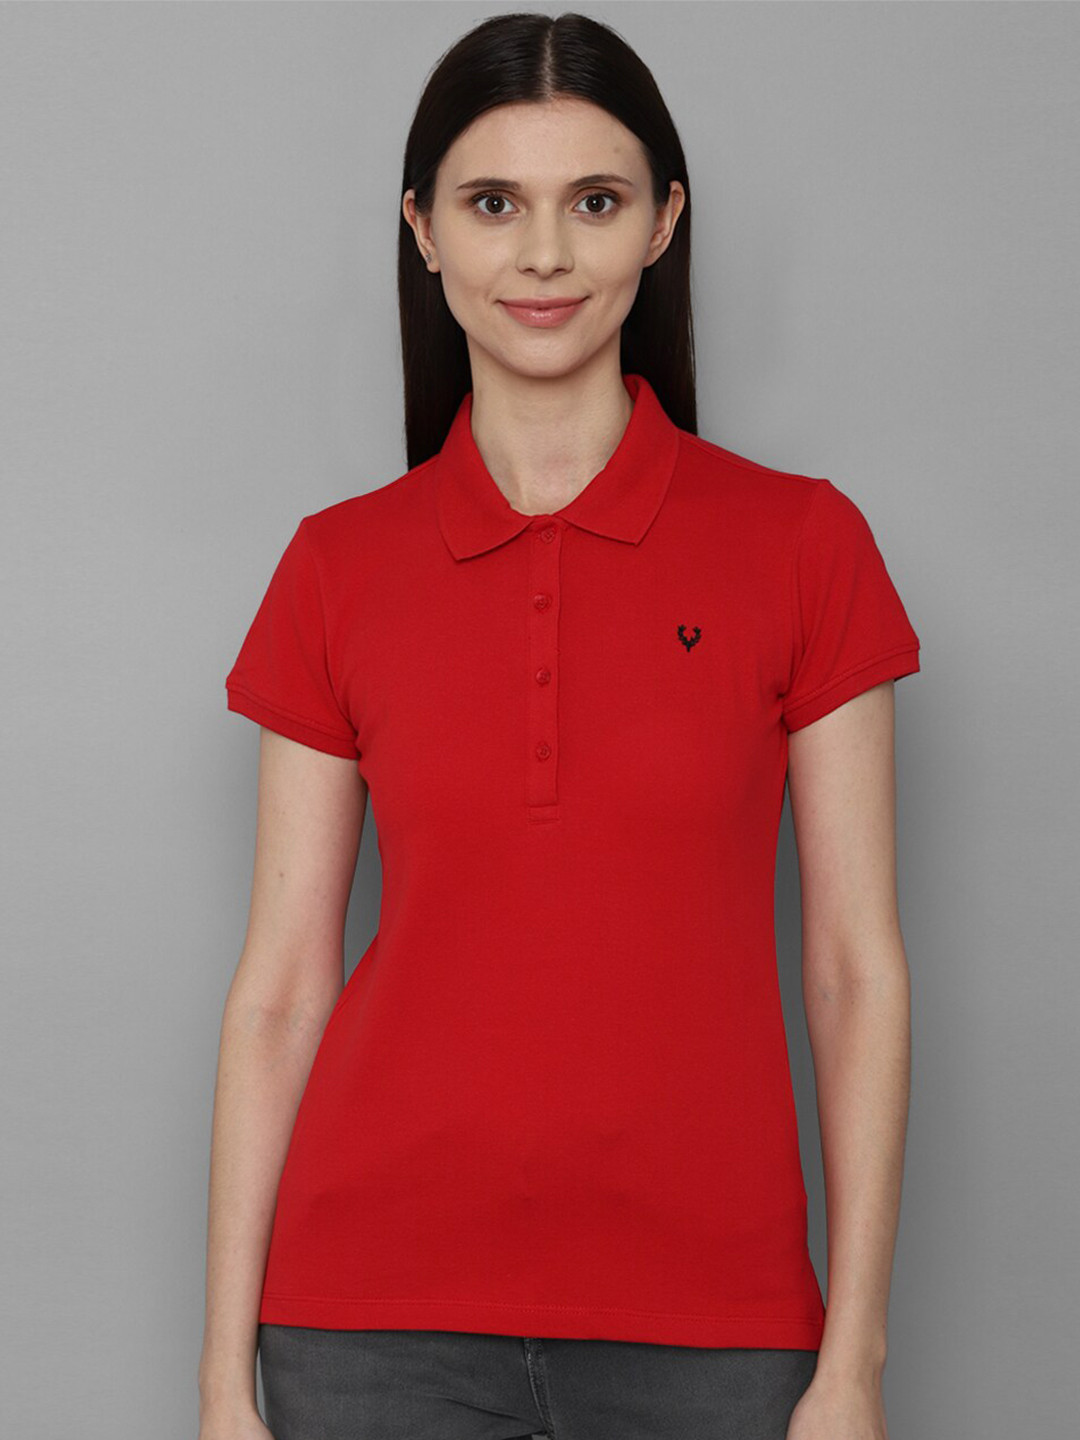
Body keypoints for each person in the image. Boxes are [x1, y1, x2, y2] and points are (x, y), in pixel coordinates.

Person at [198, 12, 921, 1440]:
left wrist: (854, 1363)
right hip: (366, 1325)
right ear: (423, 231)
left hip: (714, 1329)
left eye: (594, 201)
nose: (543, 254)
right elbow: (279, 989)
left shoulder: (802, 545)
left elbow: (854, 972)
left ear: (663, 224)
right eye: (492, 204)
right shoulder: (338, 566)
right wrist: (224, 1382)